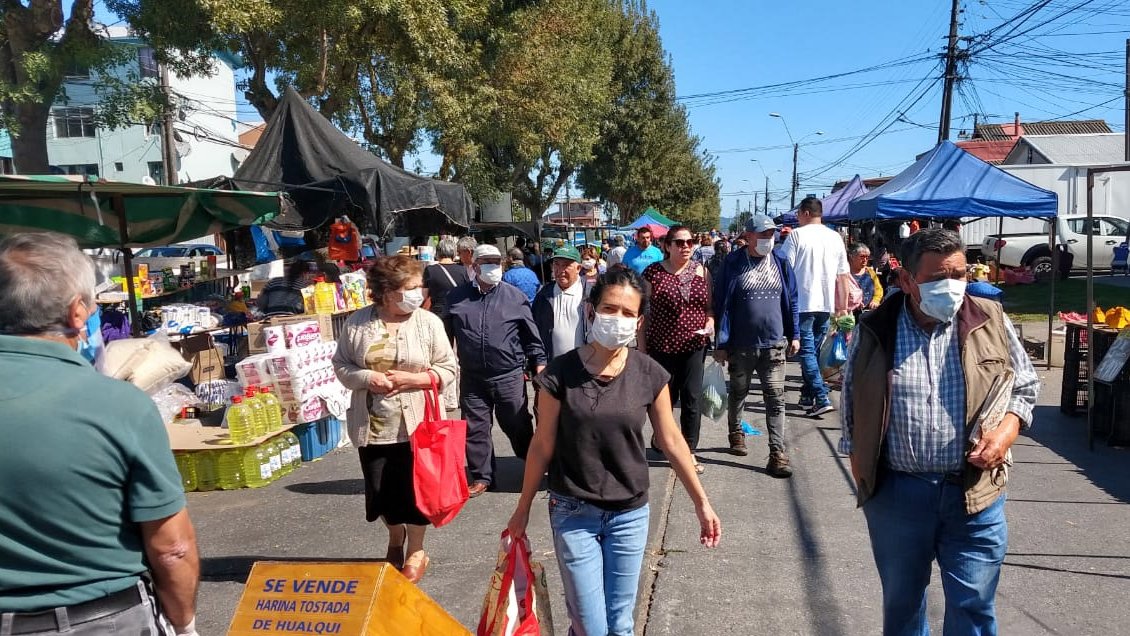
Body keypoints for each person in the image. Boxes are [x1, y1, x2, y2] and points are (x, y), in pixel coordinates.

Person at [839, 228, 1039, 636]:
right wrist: (863, 470)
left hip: (973, 493)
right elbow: (852, 402)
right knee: (903, 607)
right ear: (906, 280)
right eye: (936, 278)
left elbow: (1024, 386)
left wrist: (1005, 433)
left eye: (959, 274)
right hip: (898, 495)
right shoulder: (877, 327)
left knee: (973, 607)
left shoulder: (990, 318)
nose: (951, 286)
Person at [0, 232, 199, 636]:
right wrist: (185, 625)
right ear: (77, 313)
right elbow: (172, 548)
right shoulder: (119, 405)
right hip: (103, 618)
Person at [507, 267, 721, 636]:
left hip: (630, 515)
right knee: (590, 627)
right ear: (591, 310)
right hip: (573, 511)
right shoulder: (559, 374)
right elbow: (542, 444)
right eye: (609, 308)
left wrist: (702, 503)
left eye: (627, 312)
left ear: (639, 322)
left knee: (620, 625)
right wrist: (522, 508)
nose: (617, 318)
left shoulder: (649, 374)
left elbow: (672, 441)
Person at [333, 255, 458, 584]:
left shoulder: (428, 323)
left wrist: (414, 379)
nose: (419, 293)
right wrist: (366, 378)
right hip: (373, 425)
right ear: (388, 292)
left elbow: (448, 368)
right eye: (411, 288)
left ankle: (416, 549)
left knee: (416, 492)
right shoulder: (358, 323)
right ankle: (394, 535)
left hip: (419, 425)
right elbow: (342, 364)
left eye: (419, 286)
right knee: (381, 492)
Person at [448, 244, 547, 497]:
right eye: (487, 262)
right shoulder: (456, 297)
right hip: (472, 377)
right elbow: (445, 336)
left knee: (517, 423)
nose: (493, 267)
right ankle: (482, 476)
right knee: (475, 428)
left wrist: (539, 364)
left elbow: (531, 337)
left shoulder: (515, 297)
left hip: (508, 375)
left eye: (497, 262)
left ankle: (532, 462)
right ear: (475, 266)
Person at [712, 216, 800, 473]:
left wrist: (795, 334)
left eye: (771, 235)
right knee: (739, 391)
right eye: (762, 235)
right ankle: (736, 432)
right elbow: (721, 302)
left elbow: (793, 299)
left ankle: (777, 453)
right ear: (748, 236)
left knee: (775, 397)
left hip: (774, 344)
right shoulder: (733, 263)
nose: (767, 240)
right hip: (741, 345)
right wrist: (721, 342)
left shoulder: (781, 262)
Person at [641, 225, 713, 473]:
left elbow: (709, 308)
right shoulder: (653, 273)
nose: (686, 247)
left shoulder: (702, 271)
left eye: (690, 242)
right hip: (662, 347)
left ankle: (688, 451)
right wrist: (642, 349)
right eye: (680, 243)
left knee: (692, 398)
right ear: (667, 246)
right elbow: (642, 314)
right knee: (664, 400)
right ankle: (662, 436)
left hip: (694, 346)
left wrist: (710, 323)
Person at [780, 196, 849, 417]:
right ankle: (807, 394)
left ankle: (821, 396)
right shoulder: (835, 238)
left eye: (798, 214)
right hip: (825, 305)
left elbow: (784, 269)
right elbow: (843, 276)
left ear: (806, 213)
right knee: (814, 352)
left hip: (802, 304)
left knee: (807, 353)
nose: (797, 218)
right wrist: (843, 307)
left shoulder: (796, 235)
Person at [532, 244, 590, 361]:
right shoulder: (544, 295)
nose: (560, 270)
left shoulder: (590, 294)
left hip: (585, 365)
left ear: (578, 268)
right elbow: (534, 332)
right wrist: (539, 362)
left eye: (566, 265)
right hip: (552, 366)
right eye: (556, 264)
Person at [422, 236, 470, 344]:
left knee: (443, 346)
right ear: (454, 253)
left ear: (438, 252)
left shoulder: (430, 270)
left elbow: (423, 295)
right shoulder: (463, 270)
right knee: (461, 345)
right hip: (459, 312)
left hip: (439, 314)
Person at [848, 242, 884, 312]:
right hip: (850, 313)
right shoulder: (845, 274)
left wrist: (875, 300)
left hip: (868, 311)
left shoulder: (870, 272)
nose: (865, 260)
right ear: (852, 256)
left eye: (867, 257)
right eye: (862, 257)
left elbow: (878, 289)